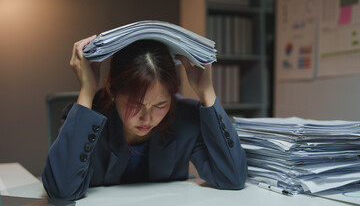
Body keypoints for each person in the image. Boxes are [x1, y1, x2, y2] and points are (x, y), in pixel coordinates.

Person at [42, 35, 248, 200]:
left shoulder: (186, 118)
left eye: (160, 104)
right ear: (113, 91)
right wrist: (87, 89)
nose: (147, 117)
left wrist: (207, 91)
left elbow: (233, 178)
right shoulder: (86, 119)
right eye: (135, 104)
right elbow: (61, 190)